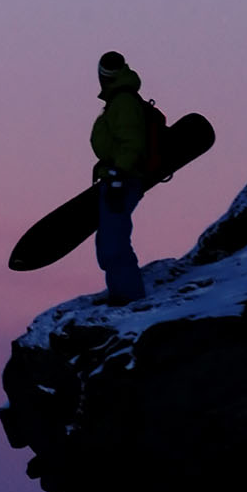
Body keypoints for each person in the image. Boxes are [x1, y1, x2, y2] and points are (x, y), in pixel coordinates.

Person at [90, 51, 151, 304]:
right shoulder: (118, 100)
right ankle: (120, 290)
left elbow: (131, 142)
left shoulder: (124, 101)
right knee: (108, 239)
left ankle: (129, 295)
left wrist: (118, 175)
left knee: (114, 239)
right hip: (117, 178)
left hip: (122, 180)